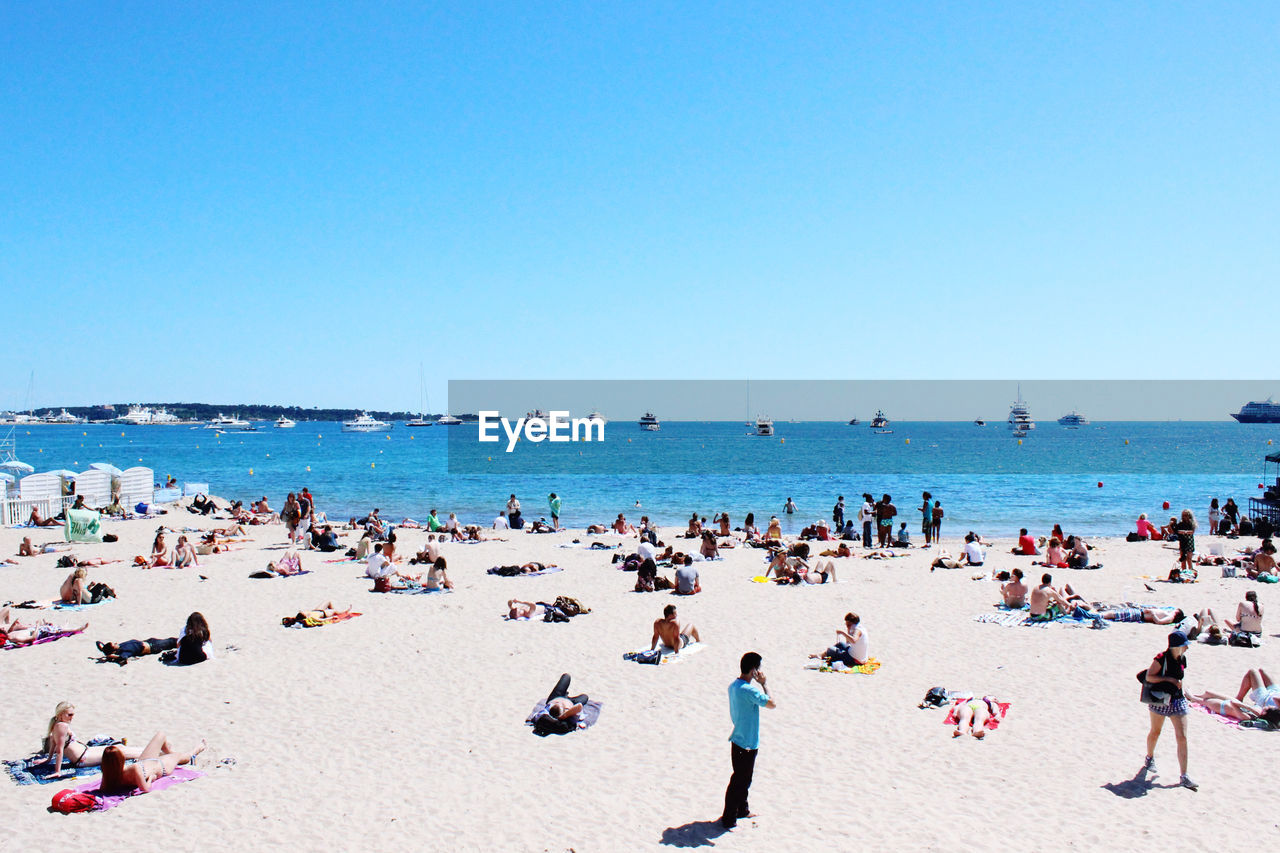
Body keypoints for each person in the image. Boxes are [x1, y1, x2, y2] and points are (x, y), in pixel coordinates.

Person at [722, 652, 775, 830]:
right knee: (739, 781)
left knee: (745, 779)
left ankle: (742, 810)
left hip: (740, 740)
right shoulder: (748, 690)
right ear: (753, 670)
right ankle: (729, 818)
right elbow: (772, 703)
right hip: (745, 743)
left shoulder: (734, 686)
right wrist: (764, 684)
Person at [1142, 630, 1196, 790]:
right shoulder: (1161, 658)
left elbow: (1180, 678)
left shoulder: (1182, 658)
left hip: (1178, 700)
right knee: (1155, 732)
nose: (1187, 648)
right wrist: (1169, 679)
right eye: (1185, 645)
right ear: (1176, 646)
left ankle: (1184, 775)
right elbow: (1149, 676)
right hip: (1160, 700)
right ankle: (1149, 757)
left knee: (1182, 737)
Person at [42, 702, 146, 777]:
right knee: (119, 753)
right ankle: (152, 752)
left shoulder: (57, 724)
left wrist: (48, 759)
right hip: (83, 758)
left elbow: (53, 743)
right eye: (69, 715)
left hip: (86, 751)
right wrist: (57, 771)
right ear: (60, 714)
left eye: (73, 714)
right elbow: (59, 750)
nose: (72, 717)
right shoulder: (62, 727)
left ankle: (148, 750)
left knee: (117, 747)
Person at [99, 735, 206, 794]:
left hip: (144, 762)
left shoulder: (108, 773)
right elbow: (145, 789)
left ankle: (169, 753)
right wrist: (151, 778)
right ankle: (195, 751)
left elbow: (103, 789)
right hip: (160, 767)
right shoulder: (134, 769)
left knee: (160, 736)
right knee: (179, 756)